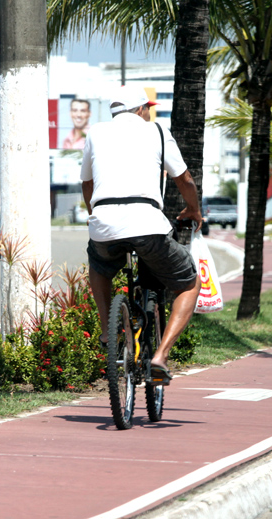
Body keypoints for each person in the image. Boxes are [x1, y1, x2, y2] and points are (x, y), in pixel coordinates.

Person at [80, 85, 202, 386]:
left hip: (104, 223)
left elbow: (87, 184)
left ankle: (108, 330)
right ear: (140, 109)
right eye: (147, 107)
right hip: (148, 226)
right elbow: (184, 178)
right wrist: (193, 209)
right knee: (190, 283)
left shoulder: (95, 132)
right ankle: (160, 357)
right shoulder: (157, 131)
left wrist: (99, 217)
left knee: (99, 263)